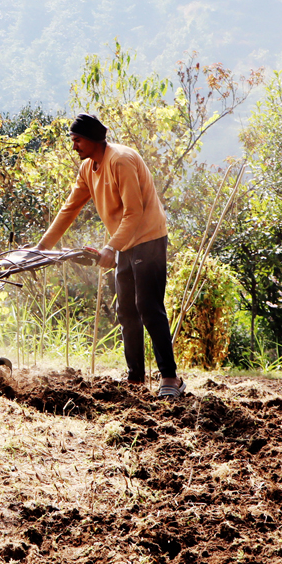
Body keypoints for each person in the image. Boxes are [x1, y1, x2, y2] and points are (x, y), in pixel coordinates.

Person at [36, 113, 183, 397]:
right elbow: (69, 209)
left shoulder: (121, 160)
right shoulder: (88, 169)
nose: (74, 145)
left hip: (148, 238)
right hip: (124, 242)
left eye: (77, 140)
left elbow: (134, 211)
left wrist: (111, 247)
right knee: (127, 311)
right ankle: (136, 379)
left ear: (92, 139)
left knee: (148, 307)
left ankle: (170, 377)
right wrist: (42, 247)